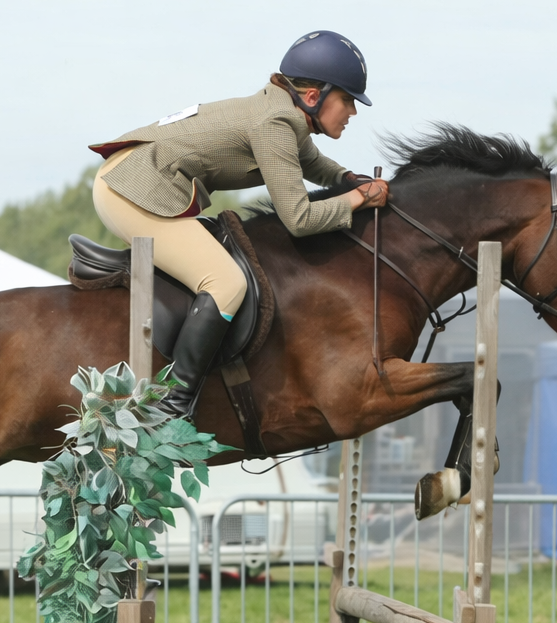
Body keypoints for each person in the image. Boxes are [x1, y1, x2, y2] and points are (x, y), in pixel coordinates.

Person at [89, 30, 390, 419]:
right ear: (314, 96)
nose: (352, 112)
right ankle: (173, 405)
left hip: (131, 176)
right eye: (348, 100)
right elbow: (298, 220)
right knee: (227, 284)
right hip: (131, 188)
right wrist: (360, 198)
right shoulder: (275, 123)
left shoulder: (280, 111)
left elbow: (309, 161)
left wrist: (350, 180)